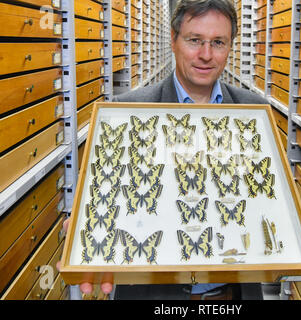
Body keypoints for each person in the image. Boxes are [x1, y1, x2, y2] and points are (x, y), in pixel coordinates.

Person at [59, 0, 268, 300]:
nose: (206, 55)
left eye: (218, 43)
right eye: (195, 40)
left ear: (231, 46)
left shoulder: (254, 112)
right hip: (154, 296)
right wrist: (83, 228)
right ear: (173, 40)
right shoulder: (127, 112)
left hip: (232, 294)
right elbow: (105, 195)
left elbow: (266, 199)